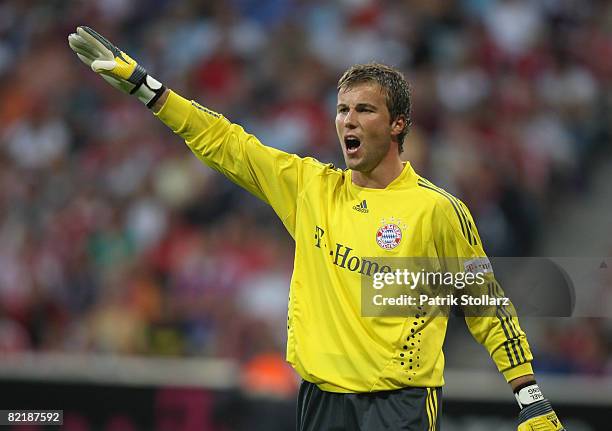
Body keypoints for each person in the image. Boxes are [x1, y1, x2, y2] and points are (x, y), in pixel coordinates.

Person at [68, 26, 566, 431]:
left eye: (364, 109)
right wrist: (147, 89)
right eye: (342, 110)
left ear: (397, 124)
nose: (348, 120)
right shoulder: (311, 188)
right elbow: (226, 143)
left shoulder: (435, 210)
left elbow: (486, 304)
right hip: (320, 402)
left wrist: (531, 397)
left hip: (399, 407)